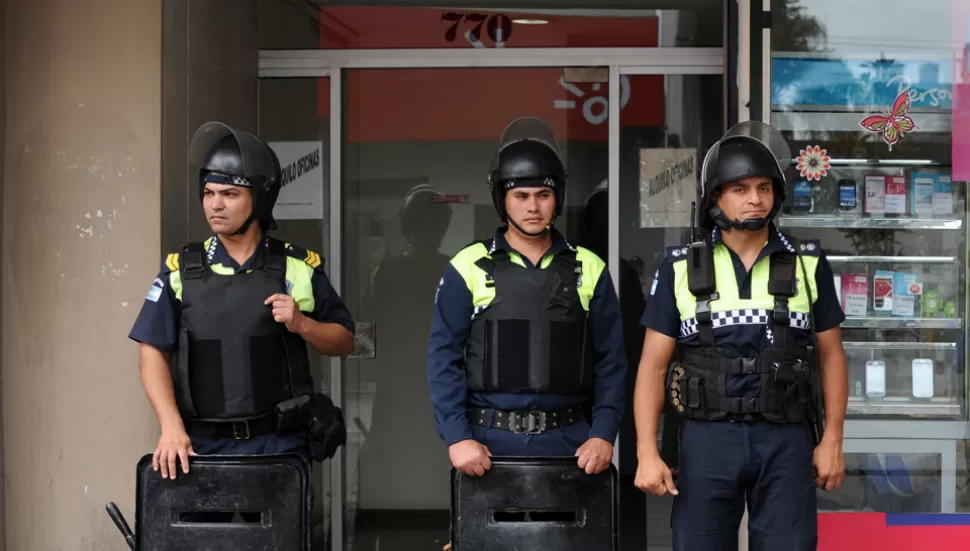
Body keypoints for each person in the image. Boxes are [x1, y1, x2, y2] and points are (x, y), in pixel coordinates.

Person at [633, 121, 848, 551]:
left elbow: (831, 356)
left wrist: (832, 440)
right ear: (716, 196)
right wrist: (646, 451)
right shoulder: (678, 267)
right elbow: (653, 367)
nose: (755, 199)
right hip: (708, 439)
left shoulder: (807, 264)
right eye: (740, 188)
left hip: (786, 439)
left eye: (764, 188)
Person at [128, 121, 355, 482]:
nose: (215, 204)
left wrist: (302, 324)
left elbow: (344, 341)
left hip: (278, 445)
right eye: (208, 193)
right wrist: (170, 427)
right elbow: (152, 350)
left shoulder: (298, 268)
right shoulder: (179, 272)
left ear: (259, 199)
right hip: (200, 447)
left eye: (230, 194)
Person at [427, 116, 627, 478]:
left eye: (543, 195)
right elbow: (443, 357)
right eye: (521, 196)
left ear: (558, 198)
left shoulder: (589, 267)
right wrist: (456, 437)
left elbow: (611, 361)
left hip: (572, 442)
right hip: (488, 443)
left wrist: (603, 433)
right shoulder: (468, 265)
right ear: (503, 199)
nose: (533, 207)